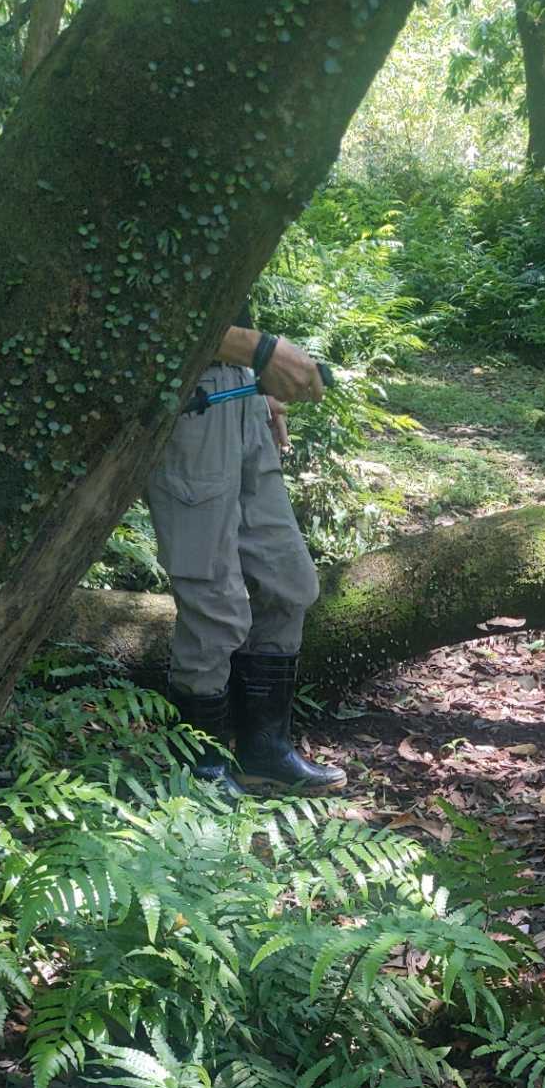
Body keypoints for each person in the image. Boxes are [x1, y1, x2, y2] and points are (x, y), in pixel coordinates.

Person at [146, 309, 346, 798]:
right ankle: (200, 771)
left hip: (239, 392)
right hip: (189, 392)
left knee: (288, 583)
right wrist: (260, 350)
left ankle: (263, 754)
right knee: (215, 604)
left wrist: (258, 385)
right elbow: (147, 316)